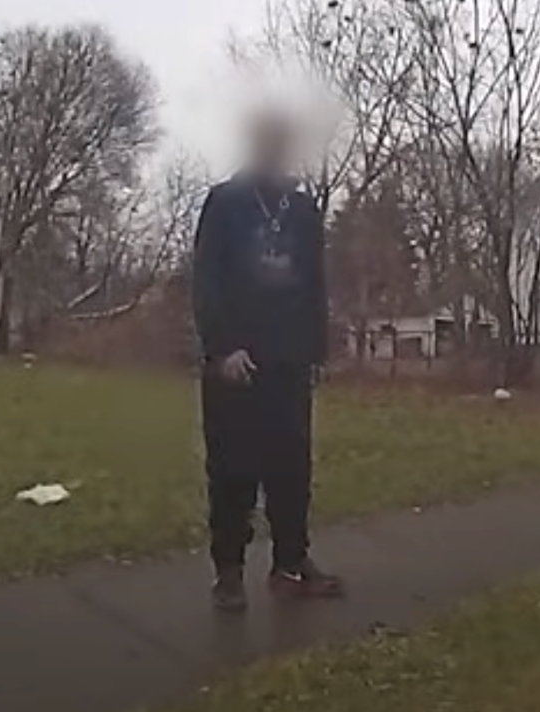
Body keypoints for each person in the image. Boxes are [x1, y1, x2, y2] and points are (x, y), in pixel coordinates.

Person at [192, 109, 343, 611]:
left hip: (289, 364)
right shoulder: (226, 203)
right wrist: (221, 347)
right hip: (236, 364)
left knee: (291, 470)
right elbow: (207, 280)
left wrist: (317, 350)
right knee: (233, 470)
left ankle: (290, 565)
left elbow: (315, 284)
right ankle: (229, 574)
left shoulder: (302, 211)